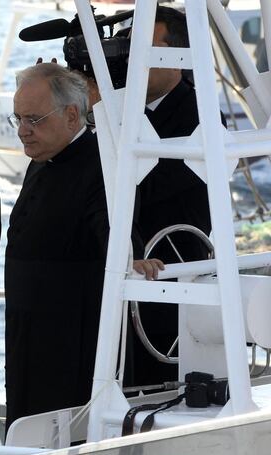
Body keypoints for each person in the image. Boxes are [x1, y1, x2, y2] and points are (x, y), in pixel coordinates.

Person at [4, 63, 162, 430]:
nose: (23, 132)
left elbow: (114, 230)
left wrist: (133, 258)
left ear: (72, 115)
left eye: (33, 120)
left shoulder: (101, 164)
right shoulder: (43, 157)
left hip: (70, 344)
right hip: (28, 334)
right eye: (18, 119)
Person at [127, 6, 212, 387]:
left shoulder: (200, 114)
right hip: (129, 277)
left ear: (176, 55)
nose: (134, 60)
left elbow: (148, 184)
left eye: (146, 48)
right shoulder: (127, 112)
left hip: (173, 280)